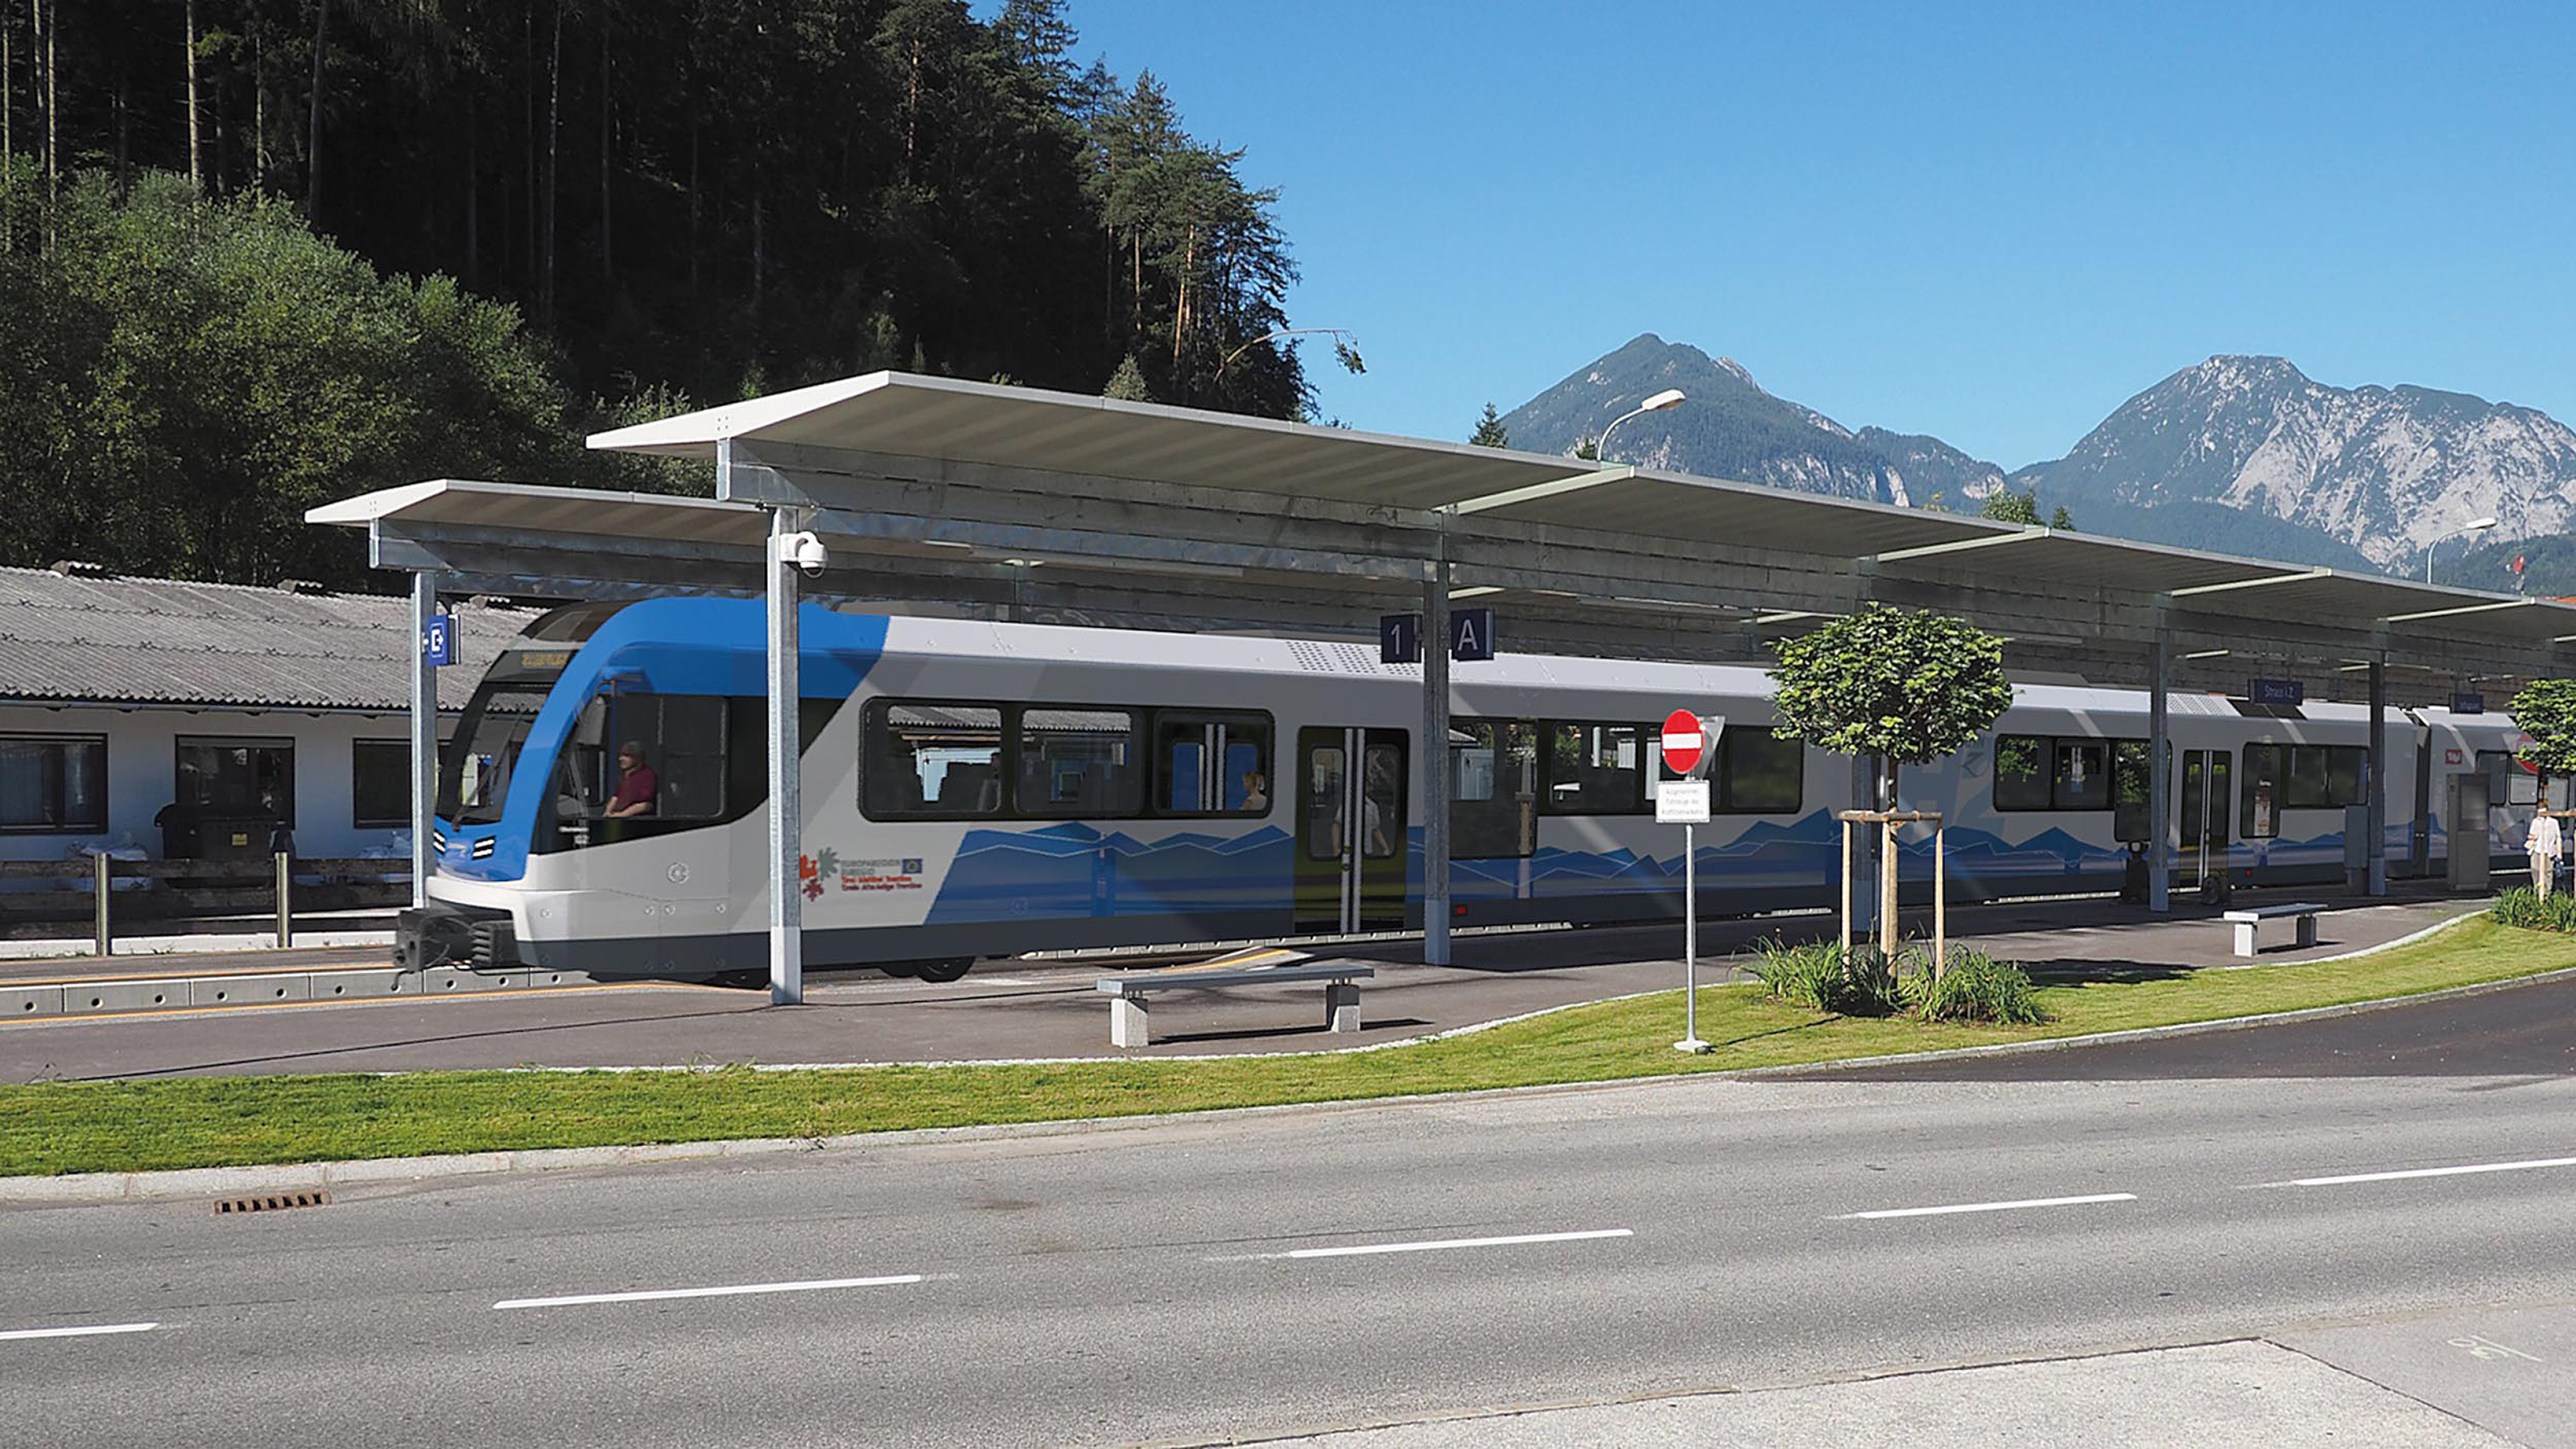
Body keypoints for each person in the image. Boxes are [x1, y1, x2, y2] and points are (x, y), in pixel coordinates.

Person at [606, 741, 658, 819]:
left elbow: (645, 805)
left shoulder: (647, 776)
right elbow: (616, 797)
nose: (621, 759)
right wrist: (607, 814)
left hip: (637, 822)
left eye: (626, 756)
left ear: (637, 758)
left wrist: (621, 815)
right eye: (620, 756)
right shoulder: (625, 776)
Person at [2527, 808, 2562, 898]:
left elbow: (2558, 838)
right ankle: (2537, 893)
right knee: (2535, 871)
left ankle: (2547, 894)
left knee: (2548, 873)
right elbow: (2531, 835)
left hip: (2549, 851)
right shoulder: (2535, 822)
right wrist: (2531, 838)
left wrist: (2559, 854)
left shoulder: (2553, 822)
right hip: (2536, 850)